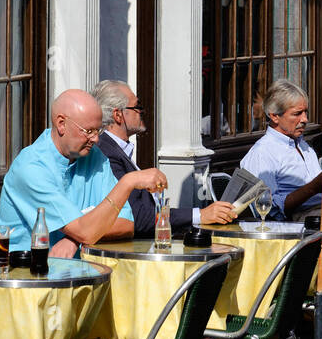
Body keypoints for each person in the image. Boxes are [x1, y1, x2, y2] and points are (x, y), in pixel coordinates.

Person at [0, 89, 166, 257]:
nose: (96, 139)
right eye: (89, 131)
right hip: (26, 268)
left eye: (98, 130)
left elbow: (126, 224)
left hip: (79, 267)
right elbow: (87, 232)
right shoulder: (32, 167)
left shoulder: (95, 156)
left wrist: (74, 239)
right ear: (61, 124)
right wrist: (127, 182)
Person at [92, 80, 234, 236]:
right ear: (118, 115)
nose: (142, 111)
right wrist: (200, 215)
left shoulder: (117, 149)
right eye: (137, 107)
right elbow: (136, 217)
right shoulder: (107, 153)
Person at [240, 79, 322, 220]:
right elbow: (267, 209)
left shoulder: (303, 146)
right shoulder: (262, 152)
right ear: (274, 116)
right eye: (297, 113)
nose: (305, 119)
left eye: (305, 112)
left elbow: (315, 191)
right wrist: (313, 187)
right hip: (299, 221)